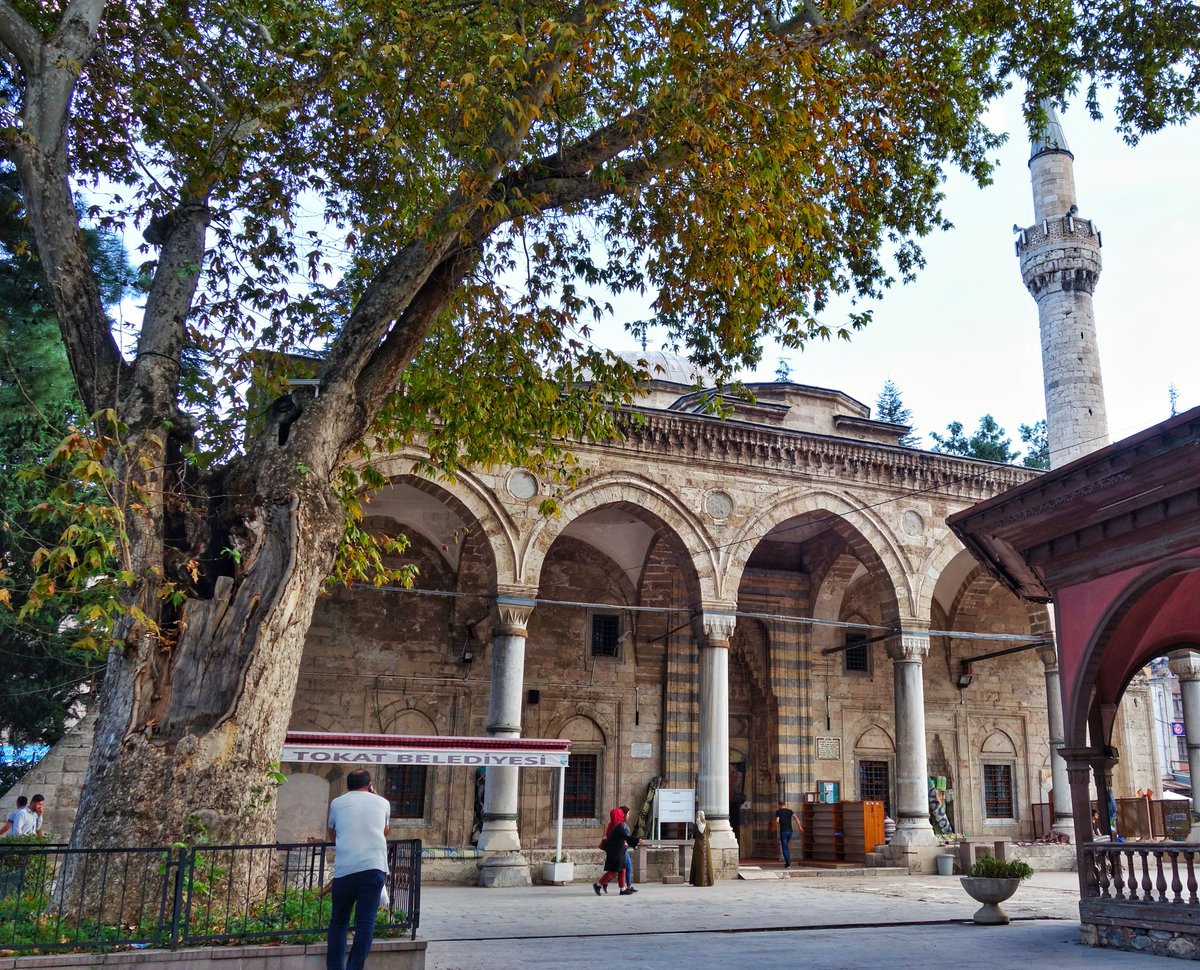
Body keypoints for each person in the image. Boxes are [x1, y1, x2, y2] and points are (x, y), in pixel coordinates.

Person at [326, 769, 390, 970]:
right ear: (370, 785)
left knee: (339, 921)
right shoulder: (383, 803)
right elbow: (385, 830)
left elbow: (333, 834)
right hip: (374, 867)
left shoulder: (337, 803)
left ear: (348, 785)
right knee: (365, 922)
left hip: (346, 868)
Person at [594, 807, 633, 896]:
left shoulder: (611, 825)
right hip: (617, 851)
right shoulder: (619, 826)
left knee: (622, 869)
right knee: (615, 870)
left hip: (617, 849)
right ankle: (598, 884)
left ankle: (622, 888)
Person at [771, 800, 803, 869]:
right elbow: (796, 818)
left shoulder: (778, 811)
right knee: (786, 846)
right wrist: (799, 827)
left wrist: (773, 827)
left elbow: (777, 820)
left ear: (779, 805)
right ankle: (788, 861)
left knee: (784, 847)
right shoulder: (790, 811)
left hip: (783, 831)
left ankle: (788, 863)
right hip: (790, 831)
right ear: (785, 805)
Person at [689, 809, 714, 887]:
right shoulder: (708, 824)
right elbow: (710, 834)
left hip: (698, 844)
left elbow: (694, 835)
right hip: (705, 844)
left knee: (699, 862)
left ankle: (699, 881)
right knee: (705, 862)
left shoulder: (695, 825)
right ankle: (707, 881)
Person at [619, 805, 638, 893]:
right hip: (623, 848)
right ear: (624, 814)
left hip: (624, 847)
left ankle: (628, 886)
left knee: (627, 867)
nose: (629, 815)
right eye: (628, 814)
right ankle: (600, 884)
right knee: (626, 868)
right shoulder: (621, 824)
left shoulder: (623, 823)